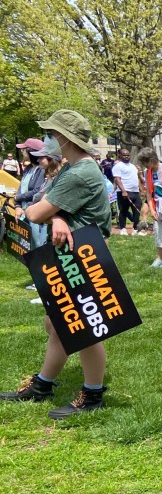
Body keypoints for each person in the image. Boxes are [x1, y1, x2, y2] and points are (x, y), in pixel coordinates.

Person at [0, 110, 112, 418]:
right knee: (57, 324)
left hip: (81, 257)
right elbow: (51, 200)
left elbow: (35, 212)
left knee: (82, 328)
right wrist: (59, 216)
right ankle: (43, 384)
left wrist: (51, 213)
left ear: (63, 138)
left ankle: (92, 394)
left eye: (51, 134)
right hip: (68, 254)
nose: (47, 139)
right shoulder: (73, 167)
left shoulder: (77, 173)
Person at [12, 139, 47, 248]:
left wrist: (18, 197)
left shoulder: (42, 170)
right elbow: (20, 187)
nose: (21, 152)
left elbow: (37, 191)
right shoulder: (27, 169)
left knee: (39, 246)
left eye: (23, 149)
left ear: (31, 152)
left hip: (35, 212)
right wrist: (17, 206)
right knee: (28, 247)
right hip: (23, 212)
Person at [112, 148, 142, 235]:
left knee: (137, 210)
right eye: (124, 155)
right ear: (119, 156)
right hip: (124, 191)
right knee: (123, 211)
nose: (126, 157)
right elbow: (117, 179)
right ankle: (123, 229)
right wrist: (123, 191)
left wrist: (140, 189)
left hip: (135, 191)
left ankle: (135, 229)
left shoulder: (133, 166)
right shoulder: (117, 166)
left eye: (128, 155)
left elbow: (136, 179)